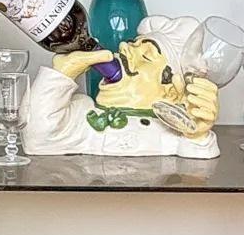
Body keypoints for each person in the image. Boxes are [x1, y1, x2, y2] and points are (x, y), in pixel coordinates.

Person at [20, 14, 221, 158]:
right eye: (132, 44)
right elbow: (36, 136)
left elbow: (195, 155)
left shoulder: (168, 135)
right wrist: (61, 75)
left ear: (170, 90)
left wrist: (198, 134)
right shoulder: (80, 112)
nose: (123, 46)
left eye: (146, 56)